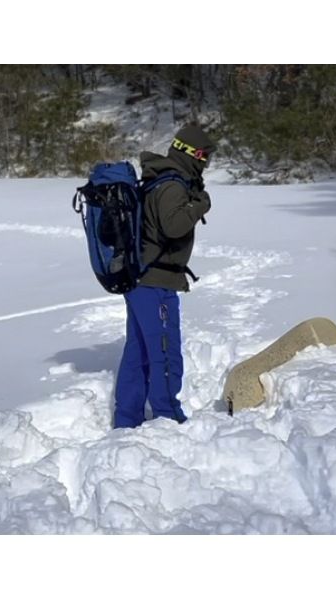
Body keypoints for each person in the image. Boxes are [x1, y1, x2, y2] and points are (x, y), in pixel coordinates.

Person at [113, 124, 216, 429]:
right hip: (156, 283)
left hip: (141, 280)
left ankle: (127, 419)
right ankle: (168, 418)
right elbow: (173, 227)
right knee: (164, 352)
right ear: (190, 153)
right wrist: (200, 204)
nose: (206, 163)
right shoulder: (171, 185)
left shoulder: (160, 178)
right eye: (204, 156)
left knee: (139, 352)